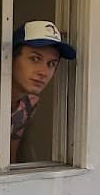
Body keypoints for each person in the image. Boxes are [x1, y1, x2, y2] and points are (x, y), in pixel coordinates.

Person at [10, 20, 76, 162]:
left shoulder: (29, 102)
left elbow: (9, 157)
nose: (44, 72)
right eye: (35, 59)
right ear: (11, 59)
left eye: (51, 64)